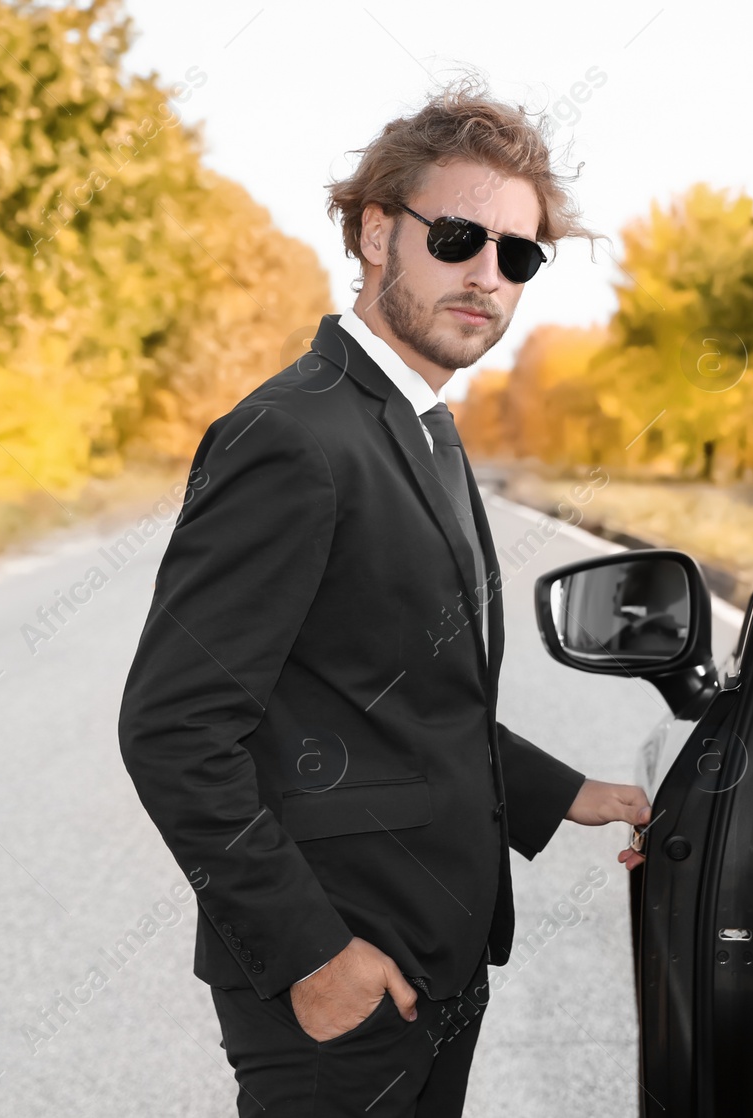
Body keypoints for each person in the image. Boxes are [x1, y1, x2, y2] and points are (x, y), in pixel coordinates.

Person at [116, 75, 652, 1117]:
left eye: (518, 254)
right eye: (457, 236)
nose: (486, 275)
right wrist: (312, 955)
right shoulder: (294, 435)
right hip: (338, 974)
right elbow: (174, 727)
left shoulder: (421, 428)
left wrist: (560, 790)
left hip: (431, 957)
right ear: (375, 234)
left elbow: (389, 691)